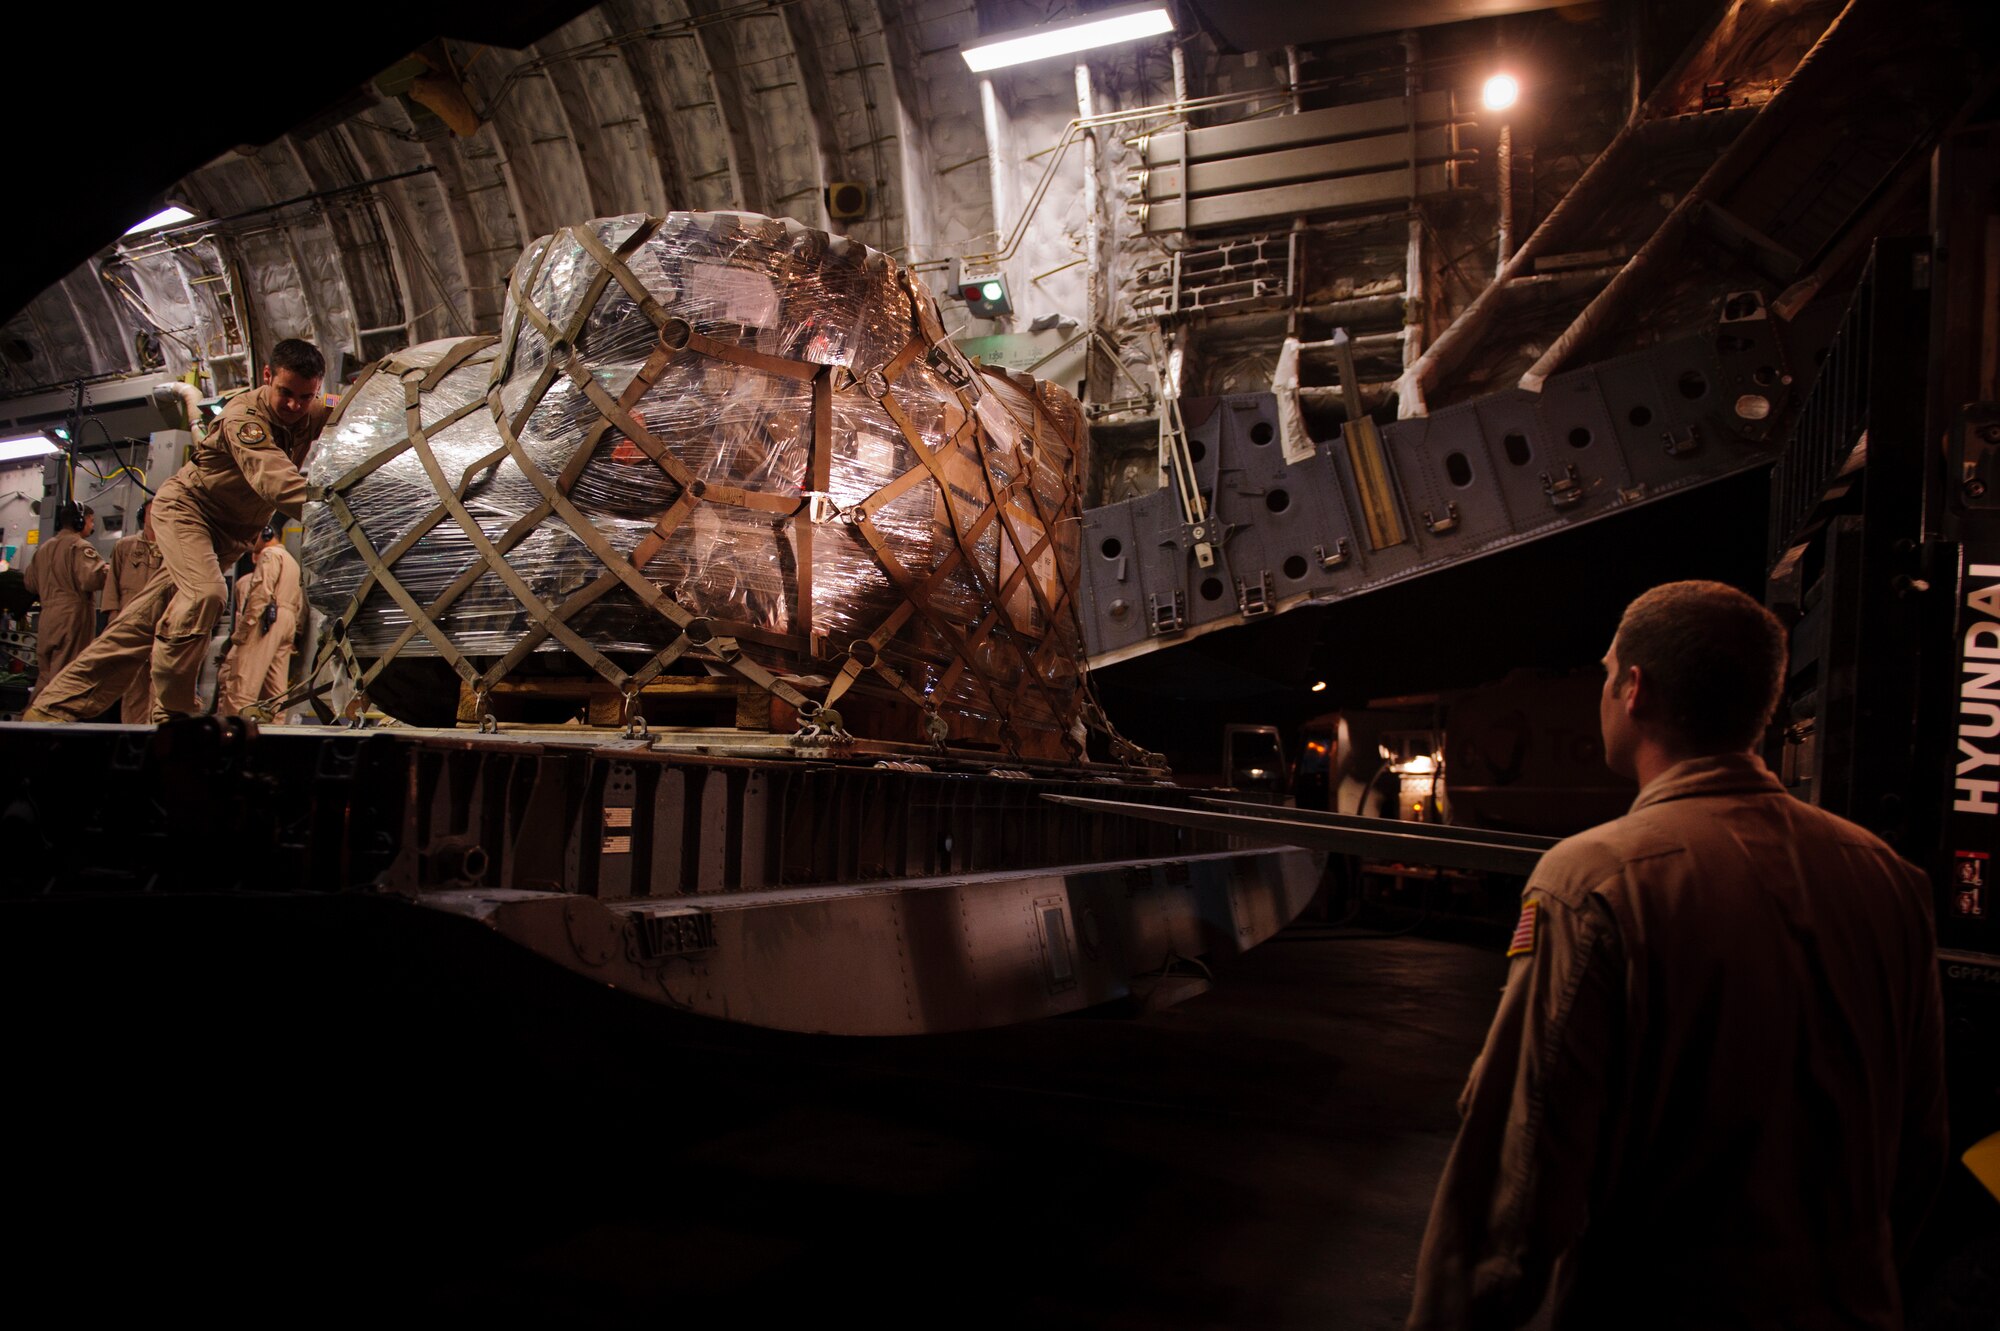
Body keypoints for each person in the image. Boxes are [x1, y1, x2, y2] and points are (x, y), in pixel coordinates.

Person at [1407, 580, 1949, 1331]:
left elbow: (1520, 1178)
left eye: (1605, 673)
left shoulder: (1592, 880)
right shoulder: (1891, 880)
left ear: (1634, 688)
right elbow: (1922, 1148)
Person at [24, 339, 329, 723]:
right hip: (189, 511)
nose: (295, 406)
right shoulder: (243, 418)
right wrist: (342, 514)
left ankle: (50, 710)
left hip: (229, 533)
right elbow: (276, 482)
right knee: (207, 594)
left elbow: (345, 409)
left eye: (306, 396)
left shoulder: (314, 407)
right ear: (267, 376)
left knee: (138, 625)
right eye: (286, 393)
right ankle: (174, 713)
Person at [215, 524, 303, 721]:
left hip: (266, 619)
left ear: (266, 535)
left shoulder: (270, 555)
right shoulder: (292, 562)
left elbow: (261, 593)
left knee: (242, 683)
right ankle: (275, 732)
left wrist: (244, 630)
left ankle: (234, 730)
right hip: (286, 622)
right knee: (275, 692)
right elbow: (300, 605)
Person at [22, 503, 107, 702]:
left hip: (48, 617)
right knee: (67, 676)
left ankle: (31, 722)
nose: (91, 526)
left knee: (46, 675)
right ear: (80, 521)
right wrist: (110, 570)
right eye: (91, 521)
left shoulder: (44, 548)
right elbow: (91, 579)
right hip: (71, 616)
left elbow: (30, 584)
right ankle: (53, 724)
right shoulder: (79, 546)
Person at [100, 501, 165, 722]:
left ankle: (157, 735)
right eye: (150, 511)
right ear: (142, 515)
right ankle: (133, 731)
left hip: (161, 622)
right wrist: (113, 615)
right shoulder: (125, 547)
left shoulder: (173, 548)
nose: (155, 515)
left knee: (160, 684)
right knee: (132, 684)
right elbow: (112, 584)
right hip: (130, 621)